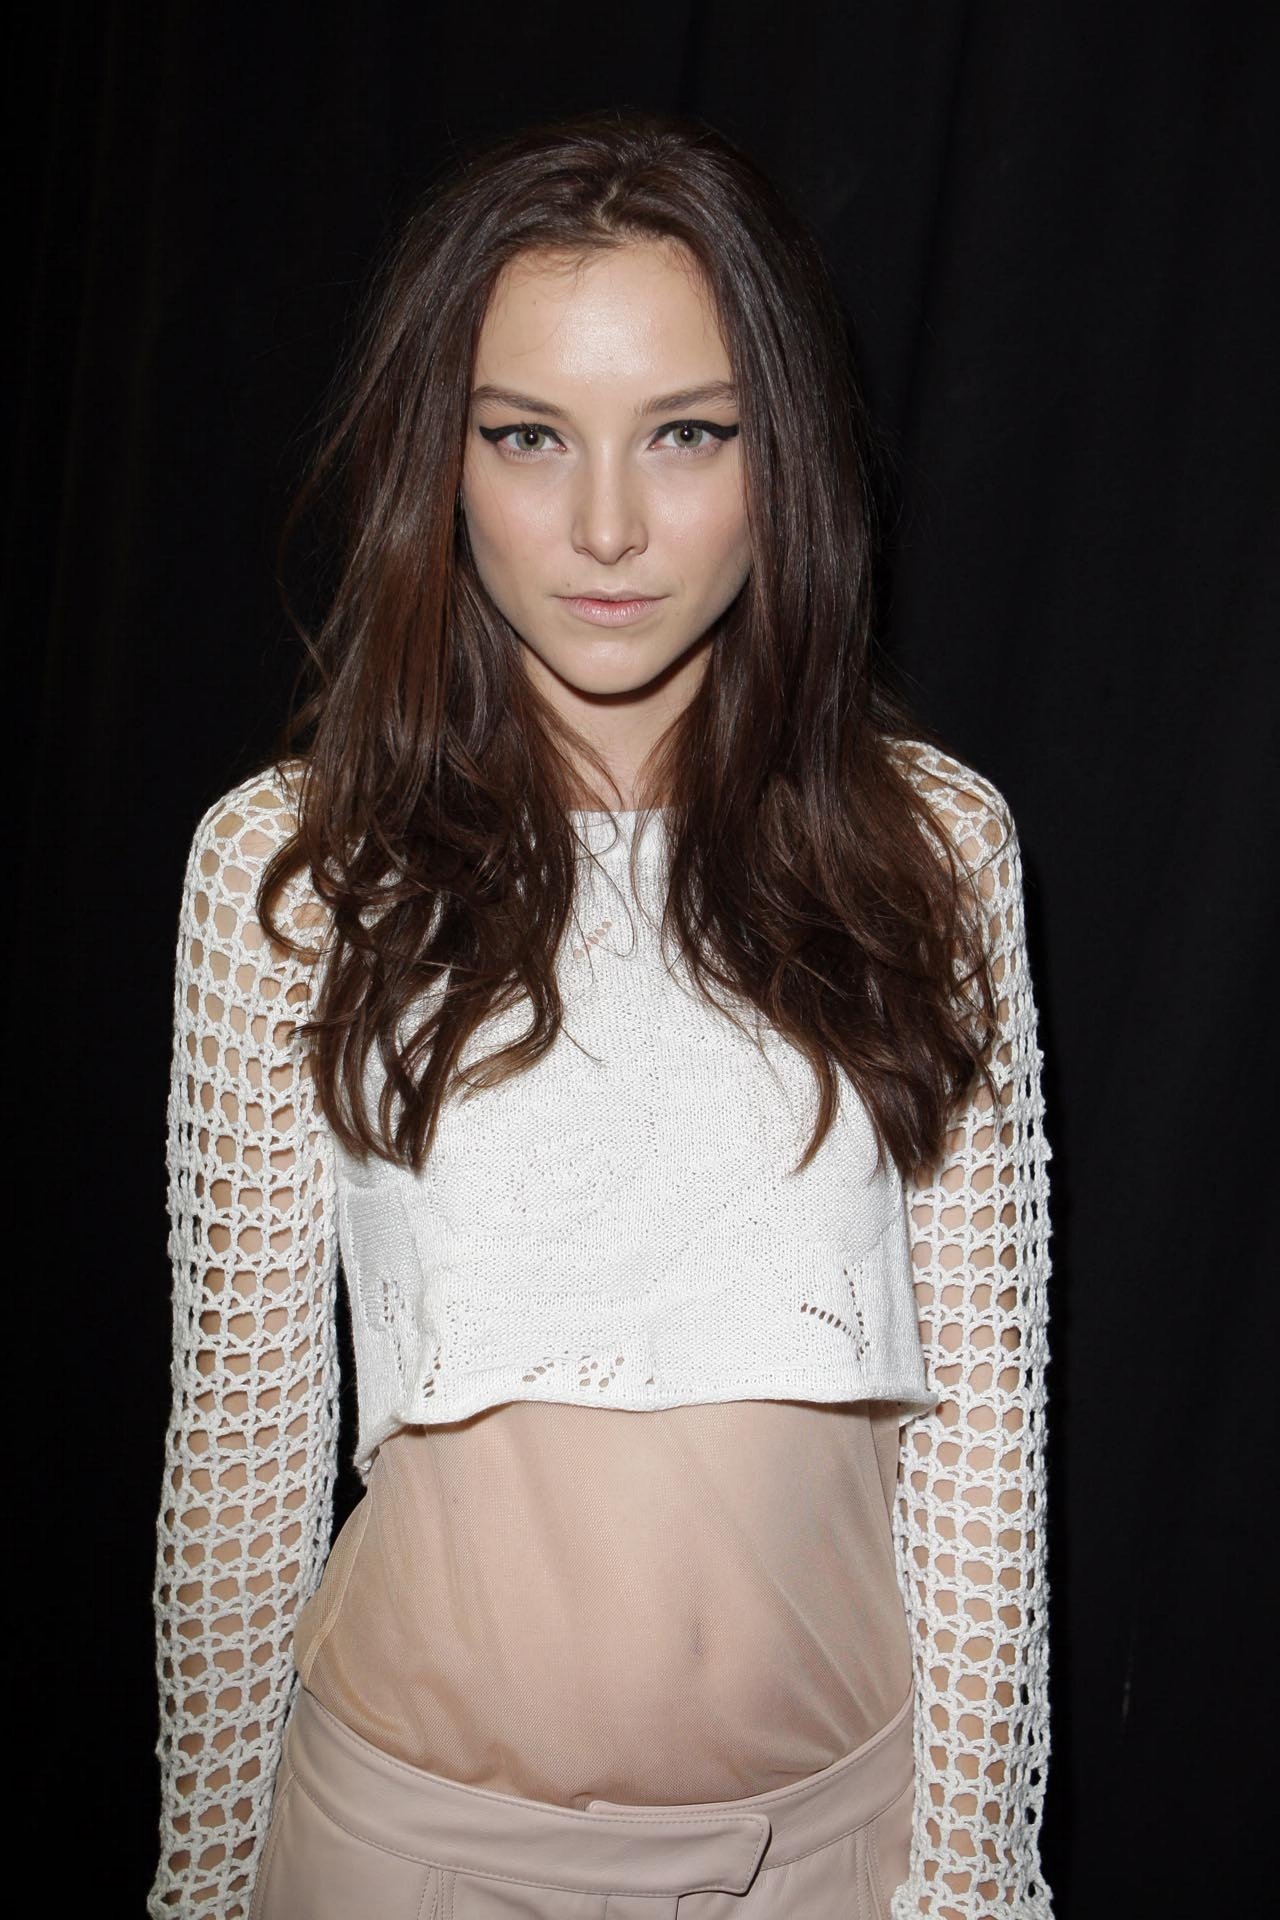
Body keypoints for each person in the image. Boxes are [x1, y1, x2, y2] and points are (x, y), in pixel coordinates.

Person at [149, 107, 1054, 1920]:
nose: (610, 526)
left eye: (688, 433)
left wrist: (969, 1882)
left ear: (780, 455)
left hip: (834, 1862)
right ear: (443, 458)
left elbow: (981, 1458)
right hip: (401, 1862)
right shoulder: (296, 871)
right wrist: (202, 1881)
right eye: (529, 437)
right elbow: (240, 1471)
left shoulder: (933, 849)